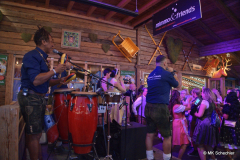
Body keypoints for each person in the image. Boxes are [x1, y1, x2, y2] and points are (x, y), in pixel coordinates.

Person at [17, 26, 66, 160]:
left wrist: (58, 80)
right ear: (43, 41)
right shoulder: (32, 55)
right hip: (31, 98)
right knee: (34, 135)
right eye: (51, 41)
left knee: (37, 134)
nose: (53, 44)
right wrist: (55, 71)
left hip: (37, 98)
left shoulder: (41, 57)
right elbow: (36, 80)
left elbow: (43, 81)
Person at [145, 55, 179, 160]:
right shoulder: (167, 74)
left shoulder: (150, 75)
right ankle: (167, 158)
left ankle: (150, 158)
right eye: (167, 64)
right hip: (160, 107)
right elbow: (177, 85)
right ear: (165, 63)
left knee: (150, 134)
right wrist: (173, 72)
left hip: (148, 107)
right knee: (167, 136)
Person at [47, 58, 71, 154]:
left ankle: (58, 145)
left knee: (60, 121)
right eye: (67, 62)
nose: (68, 64)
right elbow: (54, 85)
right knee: (54, 121)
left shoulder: (64, 72)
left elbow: (63, 85)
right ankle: (51, 144)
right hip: (55, 98)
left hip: (61, 98)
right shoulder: (57, 71)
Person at [191, 88, 218, 160]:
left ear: (205, 94)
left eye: (202, 92)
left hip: (203, 124)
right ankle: (214, 158)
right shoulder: (212, 102)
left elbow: (199, 115)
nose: (201, 94)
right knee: (208, 144)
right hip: (210, 123)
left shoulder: (204, 102)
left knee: (200, 144)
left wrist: (194, 113)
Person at [169, 90, 191, 159]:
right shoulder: (177, 106)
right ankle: (179, 158)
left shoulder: (173, 105)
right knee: (184, 143)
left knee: (175, 141)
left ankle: (167, 154)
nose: (181, 96)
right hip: (179, 124)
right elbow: (189, 108)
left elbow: (183, 105)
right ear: (177, 97)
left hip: (176, 123)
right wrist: (189, 100)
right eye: (180, 95)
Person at [220, 91, 240, 160]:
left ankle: (231, 158)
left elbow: (225, 117)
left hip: (228, 125)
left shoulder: (227, 106)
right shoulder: (238, 105)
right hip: (236, 124)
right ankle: (234, 156)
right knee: (234, 142)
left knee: (227, 143)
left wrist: (221, 112)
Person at [187, 88, 202, 157]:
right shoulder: (198, 99)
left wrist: (190, 110)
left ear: (193, 93)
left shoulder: (198, 99)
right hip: (194, 118)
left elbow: (193, 108)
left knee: (193, 134)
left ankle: (195, 150)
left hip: (194, 118)